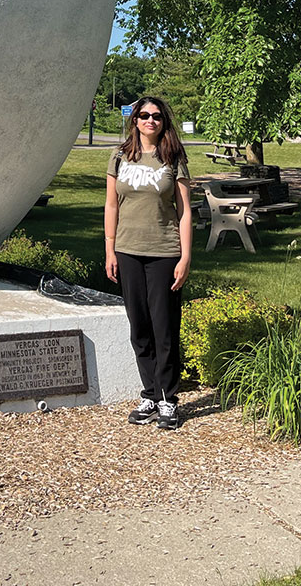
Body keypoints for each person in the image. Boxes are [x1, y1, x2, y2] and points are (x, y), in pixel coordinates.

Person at [104, 95, 192, 430]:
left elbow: (183, 211)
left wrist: (185, 256)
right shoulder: (120, 156)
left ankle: (169, 399)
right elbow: (111, 206)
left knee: (164, 327)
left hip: (164, 252)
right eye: (144, 115)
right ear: (135, 120)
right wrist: (110, 249)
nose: (150, 121)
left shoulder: (173, 157)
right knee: (139, 326)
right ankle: (151, 395)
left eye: (156, 116)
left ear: (163, 121)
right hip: (127, 250)